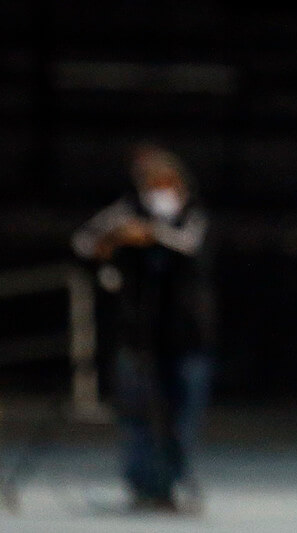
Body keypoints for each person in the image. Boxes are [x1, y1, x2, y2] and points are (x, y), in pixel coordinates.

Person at [72, 142, 216, 513]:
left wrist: (152, 233)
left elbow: (189, 245)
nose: (158, 190)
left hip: (186, 336)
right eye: (151, 183)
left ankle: (171, 487)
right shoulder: (126, 212)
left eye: (164, 182)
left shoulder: (193, 214)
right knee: (137, 415)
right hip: (138, 334)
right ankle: (142, 487)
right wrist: (115, 240)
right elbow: (84, 243)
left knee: (180, 417)